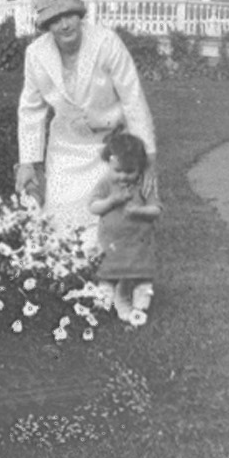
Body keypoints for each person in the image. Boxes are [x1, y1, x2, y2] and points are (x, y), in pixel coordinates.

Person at [14, 0, 157, 246]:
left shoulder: (106, 43)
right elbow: (31, 109)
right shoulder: (36, 54)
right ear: (46, 25)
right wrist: (28, 162)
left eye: (69, 15)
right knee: (61, 223)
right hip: (65, 150)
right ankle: (69, 282)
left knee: (107, 222)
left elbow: (133, 99)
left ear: (80, 14)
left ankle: (107, 283)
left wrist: (148, 157)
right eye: (55, 20)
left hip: (109, 148)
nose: (65, 25)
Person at [89, 129, 161, 324]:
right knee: (108, 272)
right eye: (118, 171)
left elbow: (156, 210)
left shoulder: (144, 184)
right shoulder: (106, 183)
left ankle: (136, 301)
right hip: (111, 240)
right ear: (109, 165)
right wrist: (111, 201)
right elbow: (94, 207)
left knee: (137, 271)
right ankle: (104, 301)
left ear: (140, 168)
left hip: (137, 240)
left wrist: (139, 211)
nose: (123, 177)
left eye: (130, 171)